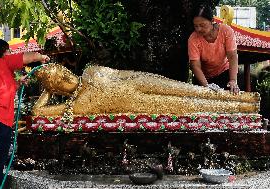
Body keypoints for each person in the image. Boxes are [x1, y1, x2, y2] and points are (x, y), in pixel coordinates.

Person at [32, 63, 259, 117]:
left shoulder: (91, 71)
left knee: (185, 89)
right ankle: (241, 107)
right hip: (137, 102)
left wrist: (145, 76)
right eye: (58, 81)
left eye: (62, 71)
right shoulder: (74, 105)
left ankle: (244, 98)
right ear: (57, 90)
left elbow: (121, 73)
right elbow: (37, 113)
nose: (66, 77)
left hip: (136, 81)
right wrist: (48, 92)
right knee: (190, 105)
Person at [0, 39, 50, 189]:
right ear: (2, 51)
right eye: (8, 50)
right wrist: (41, 57)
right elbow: (30, 57)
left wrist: (17, 83)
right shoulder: (2, 61)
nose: (10, 53)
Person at [188, 5, 240, 94]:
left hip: (224, 72)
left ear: (212, 21)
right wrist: (206, 85)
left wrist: (233, 81)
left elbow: (232, 57)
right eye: (196, 26)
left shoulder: (226, 31)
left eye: (202, 25)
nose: (199, 29)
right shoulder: (193, 39)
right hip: (203, 77)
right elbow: (195, 65)